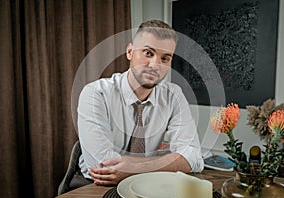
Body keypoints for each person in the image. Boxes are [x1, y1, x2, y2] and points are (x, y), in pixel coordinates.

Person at [77, 19, 204, 186]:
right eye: (148, 53)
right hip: (93, 184)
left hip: (148, 180)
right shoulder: (95, 93)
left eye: (165, 58)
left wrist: (138, 167)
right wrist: (166, 162)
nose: (155, 65)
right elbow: (102, 166)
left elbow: (194, 157)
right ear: (130, 52)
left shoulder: (173, 95)